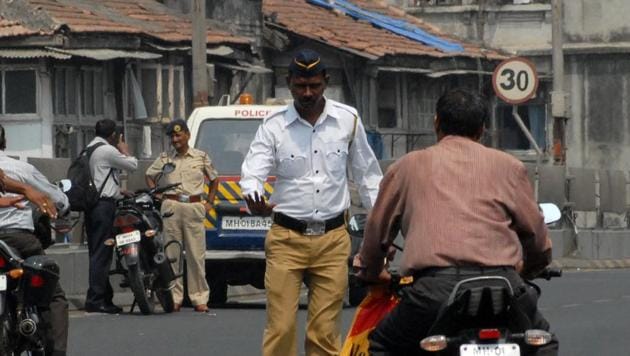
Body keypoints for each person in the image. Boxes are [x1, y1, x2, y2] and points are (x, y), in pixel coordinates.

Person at [354, 89, 557, 355]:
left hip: (433, 292)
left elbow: (376, 231)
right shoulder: (510, 166)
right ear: (483, 128)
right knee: (543, 343)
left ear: (436, 122)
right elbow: (538, 241)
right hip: (504, 287)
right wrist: (527, 269)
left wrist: (370, 272)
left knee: (382, 344)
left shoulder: (407, 166)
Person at [240, 49, 383, 356]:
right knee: (280, 329)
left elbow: (368, 176)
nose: (307, 93)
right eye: (300, 86)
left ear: (325, 82)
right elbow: (253, 170)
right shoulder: (273, 125)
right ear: (289, 83)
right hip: (285, 240)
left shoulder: (348, 120)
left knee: (324, 334)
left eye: (314, 86)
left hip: (333, 240)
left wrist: (380, 226)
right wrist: (253, 195)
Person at [0, 124, 69, 356]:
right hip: (18, 238)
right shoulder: (22, 168)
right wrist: (27, 190)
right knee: (53, 295)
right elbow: (57, 199)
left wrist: (18, 192)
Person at [145, 119, 219, 312]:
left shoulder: (200, 157)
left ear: (187, 135)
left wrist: (210, 202)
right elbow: (149, 175)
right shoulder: (165, 158)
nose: (175, 140)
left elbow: (214, 179)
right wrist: (158, 196)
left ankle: (199, 297)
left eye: (178, 135)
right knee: (172, 255)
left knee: (196, 255)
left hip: (193, 206)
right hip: (171, 206)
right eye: (172, 136)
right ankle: (175, 297)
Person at [84, 119, 138, 314]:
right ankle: (96, 300)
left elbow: (100, 179)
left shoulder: (89, 148)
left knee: (96, 252)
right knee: (102, 253)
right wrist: (124, 149)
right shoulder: (107, 150)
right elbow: (132, 165)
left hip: (92, 206)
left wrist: (118, 191)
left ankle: (103, 297)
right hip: (104, 208)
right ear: (114, 135)